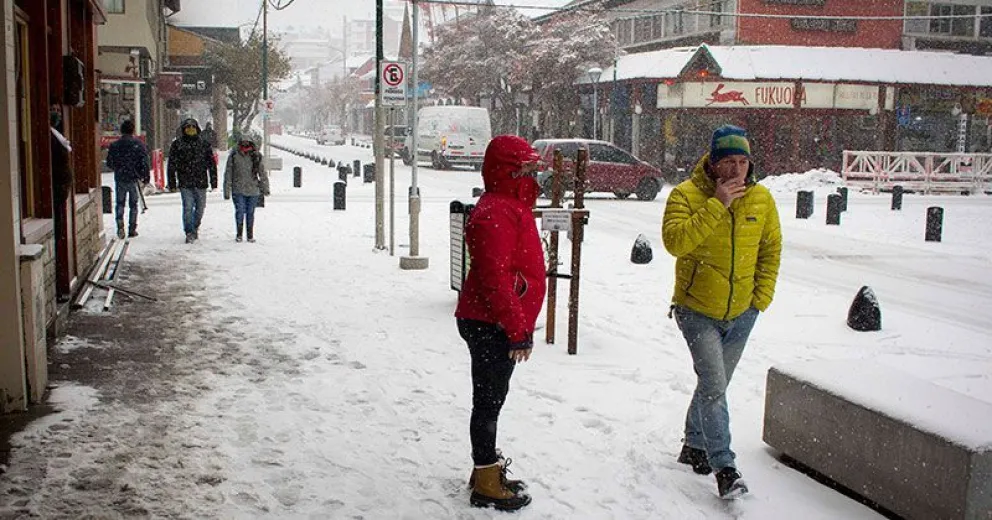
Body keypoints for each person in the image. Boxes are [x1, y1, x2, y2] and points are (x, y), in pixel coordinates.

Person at [663, 125, 782, 499]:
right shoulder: (685, 195)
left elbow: (771, 249)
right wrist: (717, 204)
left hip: (742, 312)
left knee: (715, 385)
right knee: (714, 386)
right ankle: (725, 468)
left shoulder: (762, 200)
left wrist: (759, 300)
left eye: (742, 162)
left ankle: (694, 444)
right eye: (727, 162)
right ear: (712, 164)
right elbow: (675, 242)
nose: (736, 171)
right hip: (696, 310)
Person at [454, 135, 546, 512]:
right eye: (524, 169)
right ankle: (486, 480)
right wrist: (516, 329)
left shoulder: (509, 206)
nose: (531, 175)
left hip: (494, 320)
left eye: (532, 168)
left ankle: (485, 467)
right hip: (490, 322)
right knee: (488, 402)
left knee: (491, 398)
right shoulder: (496, 211)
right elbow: (495, 277)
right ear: (506, 171)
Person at [167, 118, 217, 243]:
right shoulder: (177, 144)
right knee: (188, 207)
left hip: (201, 181)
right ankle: (189, 231)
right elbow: (171, 165)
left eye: (192, 127)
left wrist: (214, 181)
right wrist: (172, 182)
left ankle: (195, 225)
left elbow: (211, 164)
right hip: (185, 182)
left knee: (200, 207)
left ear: (197, 128)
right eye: (187, 127)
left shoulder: (204, 144)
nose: (190, 129)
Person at [106, 120, 150, 239]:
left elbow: (109, 162)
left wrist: (118, 167)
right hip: (133, 178)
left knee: (120, 203)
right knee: (133, 204)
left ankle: (120, 224)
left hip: (120, 177)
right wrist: (145, 176)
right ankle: (132, 228)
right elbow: (144, 162)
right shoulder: (139, 145)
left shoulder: (115, 145)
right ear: (133, 130)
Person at [223, 138, 269, 243]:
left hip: (253, 189)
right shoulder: (234, 156)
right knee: (240, 211)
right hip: (238, 189)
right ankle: (239, 234)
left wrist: (265, 187)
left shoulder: (256, 156)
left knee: (250, 212)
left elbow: (262, 173)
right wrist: (227, 189)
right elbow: (228, 173)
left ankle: (250, 234)